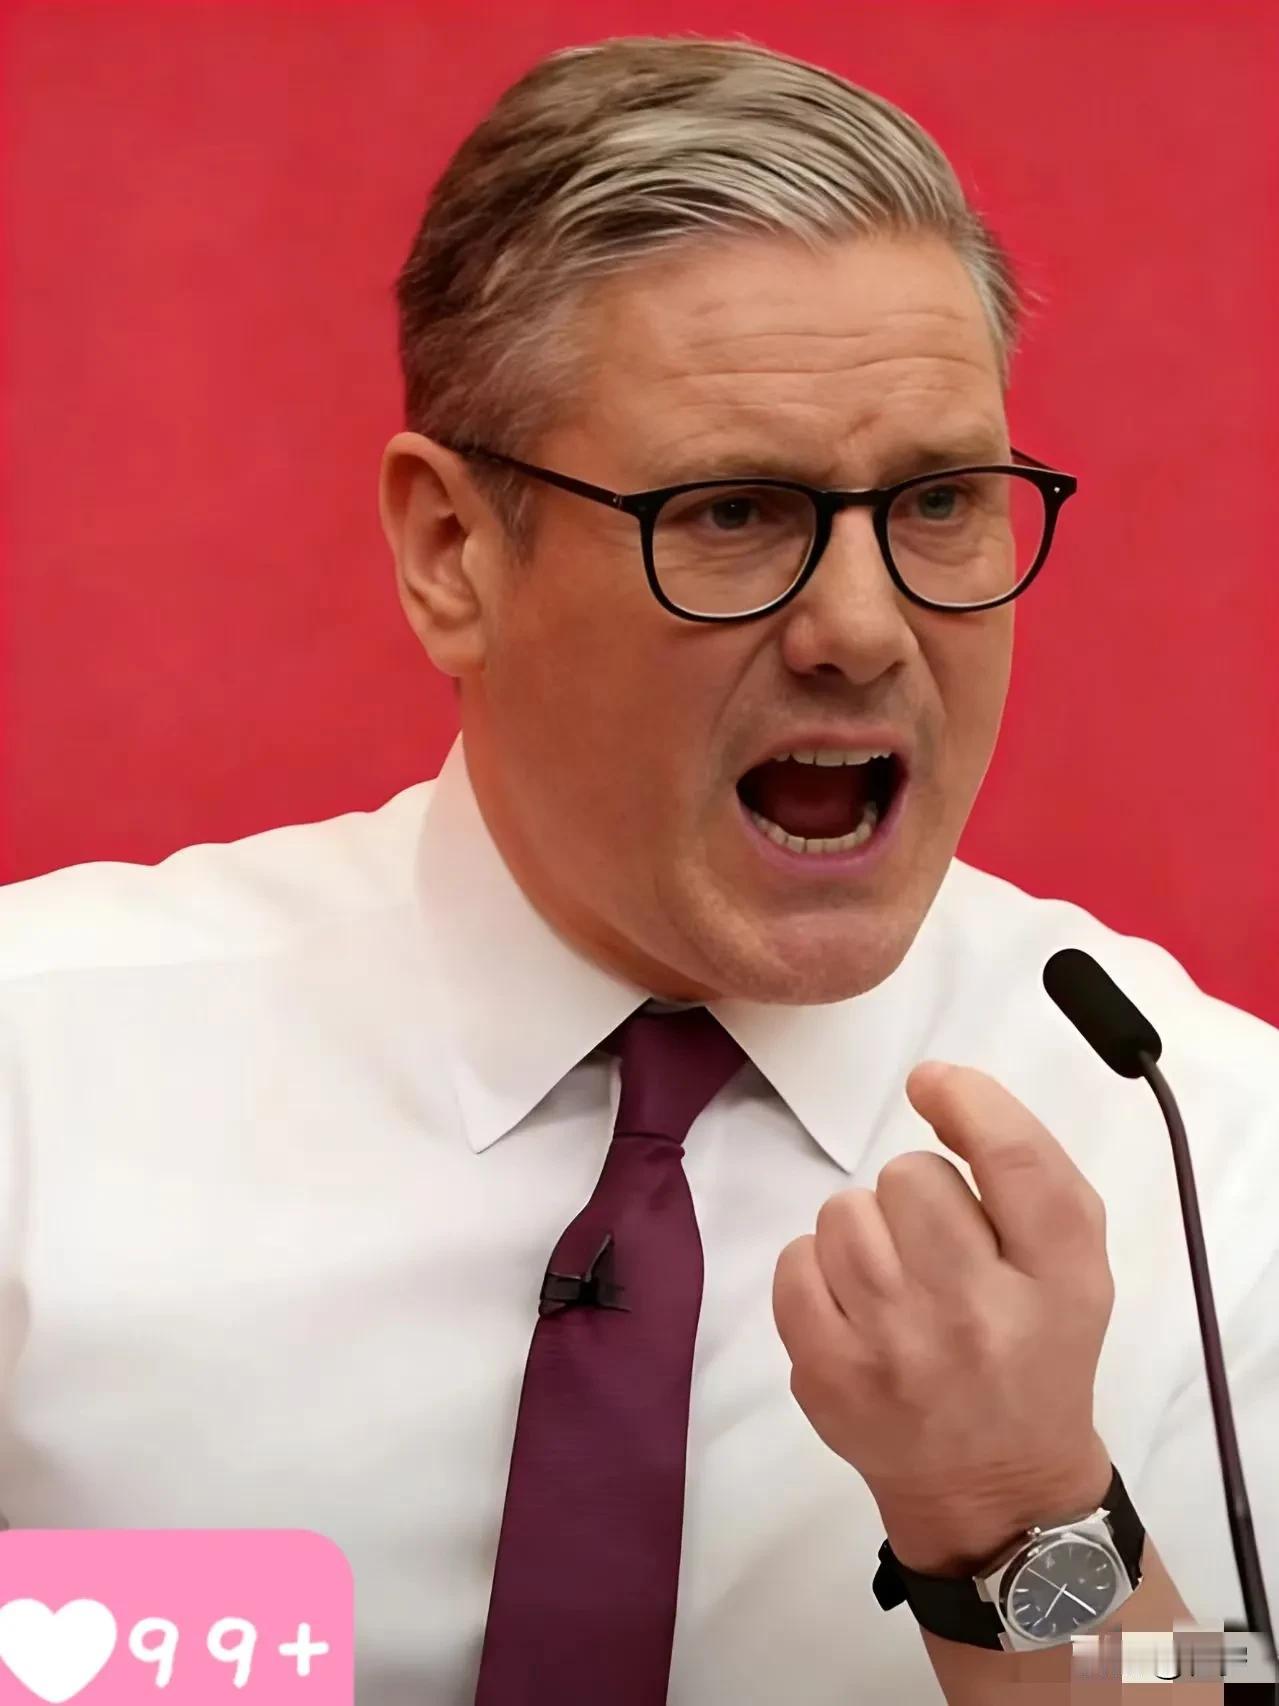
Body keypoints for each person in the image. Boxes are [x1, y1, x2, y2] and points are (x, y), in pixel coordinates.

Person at [1, 32, 1275, 1706]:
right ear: (452, 551)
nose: (863, 627)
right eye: (734, 512)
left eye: (940, 502)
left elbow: (1223, 1676)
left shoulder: (1214, 1158)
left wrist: (1025, 1518)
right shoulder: (40, 1076)